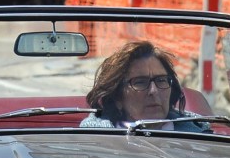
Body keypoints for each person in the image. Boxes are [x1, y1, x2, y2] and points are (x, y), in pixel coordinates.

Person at [81, 40, 210, 130]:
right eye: (140, 82)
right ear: (117, 97)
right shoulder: (94, 142)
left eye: (161, 80)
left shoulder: (200, 136)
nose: (153, 91)